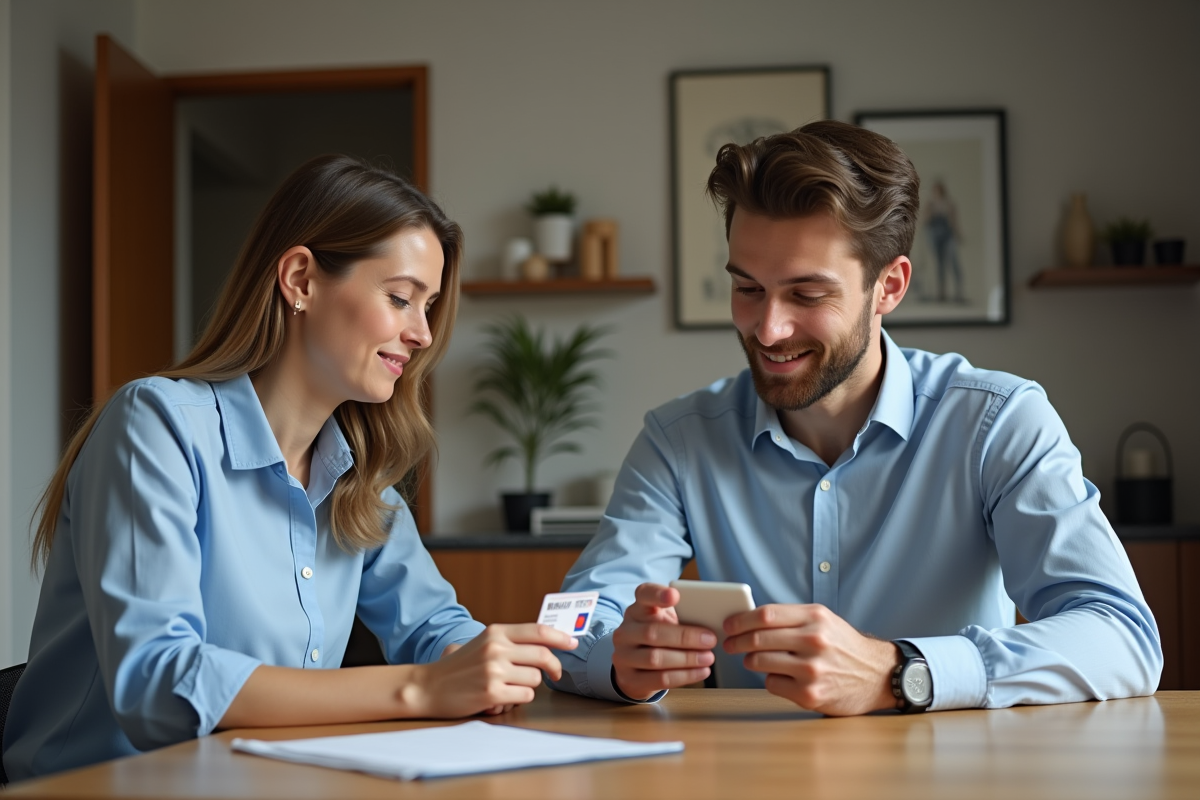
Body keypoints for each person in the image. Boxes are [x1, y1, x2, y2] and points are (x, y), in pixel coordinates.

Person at [548, 121, 1161, 715]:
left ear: (888, 287)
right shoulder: (679, 440)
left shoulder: (999, 423)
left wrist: (902, 672)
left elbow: (1122, 637)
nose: (768, 329)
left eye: (807, 295)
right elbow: (575, 620)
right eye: (748, 289)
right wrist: (617, 661)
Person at [3, 155, 574, 781]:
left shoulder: (360, 478)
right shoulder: (156, 424)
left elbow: (433, 626)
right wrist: (422, 688)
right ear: (300, 279)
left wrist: (487, 664)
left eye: (429, 307)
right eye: (401, 298)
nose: (423, 334)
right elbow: (157, 684)